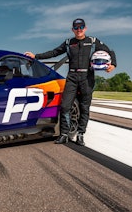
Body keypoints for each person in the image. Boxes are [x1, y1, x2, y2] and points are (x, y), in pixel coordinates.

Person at [24, 18, 117, 146]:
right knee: (65, 106)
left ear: (85, 28)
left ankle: (80, 134)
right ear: (72, 29)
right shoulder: (68, 43)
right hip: (72, 77)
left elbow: (109, 51)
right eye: (76, 28)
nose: (79, 30)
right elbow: (54, 52)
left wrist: (113, 65)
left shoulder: (93, 42)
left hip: (87, 77)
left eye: (81, 27)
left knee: (84, 108)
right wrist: (36, 56)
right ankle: (64, 134)